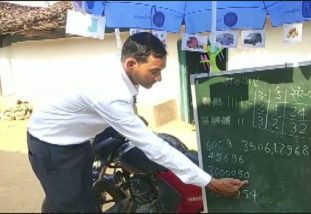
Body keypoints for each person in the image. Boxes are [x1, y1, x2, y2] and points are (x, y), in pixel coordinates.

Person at [27, 32, 248, 213]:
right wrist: (209, 182)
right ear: (131, 63)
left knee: (87, 203)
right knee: (70, 208)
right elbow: (153, 147)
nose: (159, 78)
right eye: (155, 71)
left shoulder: (120, 72)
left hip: (79, 139)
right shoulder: (111, 93)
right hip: (52, 146)